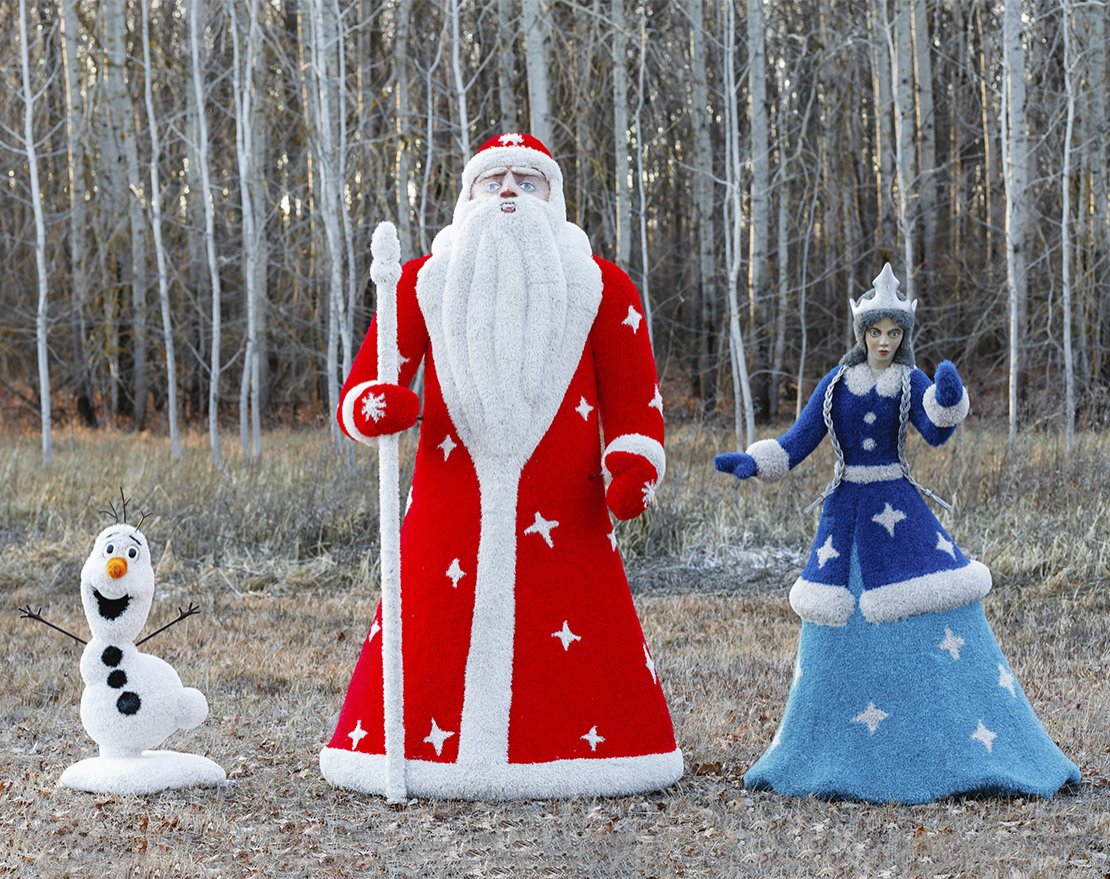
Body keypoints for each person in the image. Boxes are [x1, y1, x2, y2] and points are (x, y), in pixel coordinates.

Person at [320, 132, 682, 799]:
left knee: (575, 638)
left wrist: (633, 461)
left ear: (553, 197)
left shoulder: (602, 286)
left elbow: (633, 396)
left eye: (527, 179)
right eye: (494, 180)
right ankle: (423, 754)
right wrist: (377, 406)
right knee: (430, 629)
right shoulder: (420, 281)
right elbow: (369, 383)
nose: (510, 190)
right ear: (470, 197)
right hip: (445, 510)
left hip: (566, 515)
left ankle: (582, 754)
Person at [714, 264, 1080, 803]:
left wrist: (947, 400)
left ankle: (936, 740)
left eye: (893, 333)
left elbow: (934, 430)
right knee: (835, 621)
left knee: (927, 615)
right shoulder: (836, 384)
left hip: (900, 514)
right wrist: (757, 462)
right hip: (844, 519)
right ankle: (828, 744)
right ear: (861, 334)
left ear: (904, 336)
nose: (884, 342)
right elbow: (799, 439)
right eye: (875, 332)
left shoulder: (909, 381)